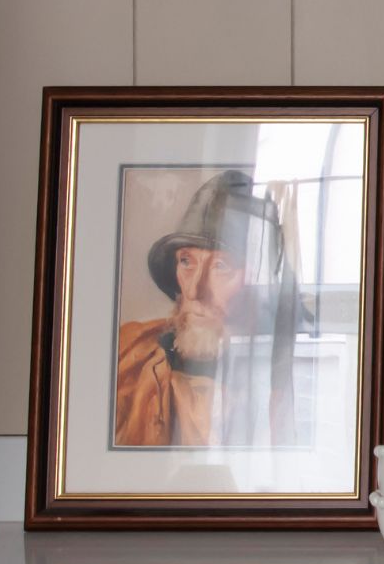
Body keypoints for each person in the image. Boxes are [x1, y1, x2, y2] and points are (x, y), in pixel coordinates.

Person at [113, 168, 293, 448]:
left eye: (221, 266)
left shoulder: (282, 379)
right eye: (186, 261)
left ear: (258, 281)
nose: (194, 290)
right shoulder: (129, 353)